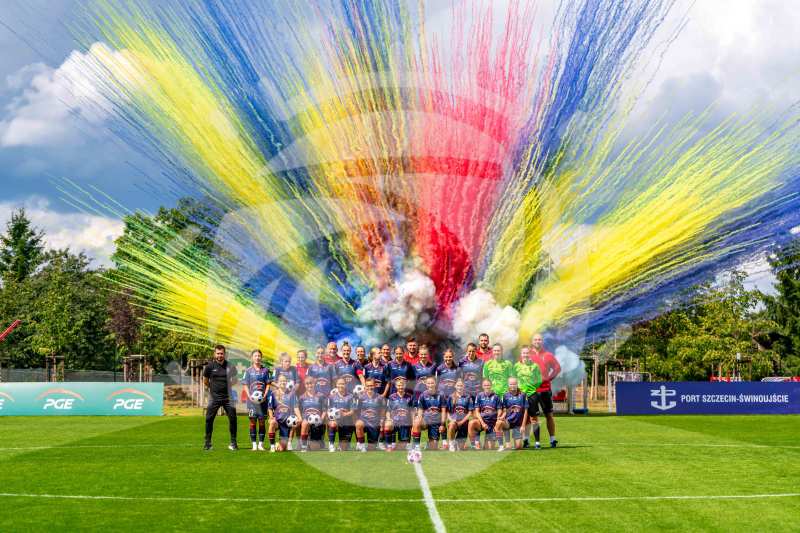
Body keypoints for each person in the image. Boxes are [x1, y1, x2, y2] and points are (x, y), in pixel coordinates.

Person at [202, 345, 239, 451]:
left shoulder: (230, 366)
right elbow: (205, 380)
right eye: (218, 353)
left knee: (233, 419)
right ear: (214, 354)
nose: (219, 355)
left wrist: (228, 386)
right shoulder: (209, 366)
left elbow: (235, 380)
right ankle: (208, 443)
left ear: (224, 354)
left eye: (221, 353)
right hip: (214, 398)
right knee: (209, 419)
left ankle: (233, 443)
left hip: (228, 398)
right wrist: (212, 388)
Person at [530, 333, 560, 448]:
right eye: (535, 339)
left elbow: (557, 368)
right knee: (533, 417)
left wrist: (549, 378)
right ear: (532, 342)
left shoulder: (548, 355)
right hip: (531, 390)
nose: (537, 341)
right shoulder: (527, 355)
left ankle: (553, 439)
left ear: (542, 341)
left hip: (545, 390)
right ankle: (535, 442)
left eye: (539, 339)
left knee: (549, 415)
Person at [242, 349, 272, 451]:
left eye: (259, 356)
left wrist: (265, 395)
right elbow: (245, 385)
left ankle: (261, 444)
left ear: (261, 357)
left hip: (263, 401)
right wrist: (249, 396)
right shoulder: (248, 371)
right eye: (255, 356)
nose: (257, 357)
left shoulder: (266, 370)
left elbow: (268, 384)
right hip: (252, 402)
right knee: (252, 422)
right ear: (252, 357)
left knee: (262, 422)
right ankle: (254, 444)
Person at [513, 345, 542, 447]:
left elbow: (539, 380)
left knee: (533, 419)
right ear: (521, 354)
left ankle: (537, 442)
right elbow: (513, 380)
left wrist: (531, 388)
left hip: (531, 395)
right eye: (523, 353)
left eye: (527, 353)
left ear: (530, 354)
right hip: (520, 396)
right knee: (522, 418)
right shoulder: (516, 366)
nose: (525, 355)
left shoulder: (535, 366)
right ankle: (526, 440)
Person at [267, 374, 300, 452]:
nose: (283, 382)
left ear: (287, 382)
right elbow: (270, 408)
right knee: (272, 423)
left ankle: (280, 443)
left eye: (284, 381)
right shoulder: (273, 393)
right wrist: (271, 417)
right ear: (278, 382)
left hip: (287, 422)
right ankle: (272, 446)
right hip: (277, 421)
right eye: (281, 381)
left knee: (282, 449)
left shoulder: (292, 394)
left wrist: (299, 417)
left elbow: (295, 407)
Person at [412, 376, 446, 450]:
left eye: (432, 383)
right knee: (417, 421)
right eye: (428, 383)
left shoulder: (441, 395)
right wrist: (416, 423)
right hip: (426, 421)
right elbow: (420, 412)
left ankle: (429, 444)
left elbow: (443, 411)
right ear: (426, 384)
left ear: (435, 383)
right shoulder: (423, 395)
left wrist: (442, 425)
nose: (430, 385)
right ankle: (416, 446)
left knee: (433, 447)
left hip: (436, 422)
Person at [495, 377, 528, 452]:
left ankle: (515, 442)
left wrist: (523, 425)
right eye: (511, 384)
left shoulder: (523, 395)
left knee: (518, 447)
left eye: (514, 384)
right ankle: (501, 446)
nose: (512, 386)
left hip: (518, 424)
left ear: (517, 384)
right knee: (498, 423)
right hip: (508, 422)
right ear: (508, 385)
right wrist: (502, 417)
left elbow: (526, 411)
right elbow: (505, 410)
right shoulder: (505, 395)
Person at [469, 379, 501, 450]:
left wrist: (498, 419)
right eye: (485, 385)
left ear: (491, 386)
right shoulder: (479, 396)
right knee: (471, 423)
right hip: (481, 422)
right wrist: (482, 423)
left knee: (489, 447)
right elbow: (477, 411)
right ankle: (474, 444)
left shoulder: (496, 396)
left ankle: (487, 439)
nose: (487, 387)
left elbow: (499, 409)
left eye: (488, 385)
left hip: (492, 422)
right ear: (482, 386)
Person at [355, 378, 385, 451]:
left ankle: (376, 442)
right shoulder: (360, 397)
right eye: (368, 386)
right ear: (365, 386)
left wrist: (381, 421)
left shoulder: (380, 397)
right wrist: (357, 420)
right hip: (364, 422)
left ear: (374, 385)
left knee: (371, 448)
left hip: (374, 424)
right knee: (358, 424)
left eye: (371, 385)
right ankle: (361, 445)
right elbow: (356, 411)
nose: (369, 387)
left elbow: (383, 410)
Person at [298, 376, 327, 452]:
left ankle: (317, 441)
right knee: (304, 423)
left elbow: (324, 410)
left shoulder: (321, 396)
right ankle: (303, 445)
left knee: (315, 448)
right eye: (307, 384)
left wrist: (321, 419)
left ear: (314, 384)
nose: (309, 385)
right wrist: (301, 418)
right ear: (305, 385)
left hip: (317, 422)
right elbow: (299, 410)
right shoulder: (302, 397)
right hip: (306, 420)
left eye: (311, 383)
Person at [384, 377, 414, 451]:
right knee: (387, 424)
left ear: (405, 385)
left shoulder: (410, 397)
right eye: (399, 385)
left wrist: (413, 424)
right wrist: (388, 419)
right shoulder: (391, 397)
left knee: (401, 448)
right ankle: (389, 446)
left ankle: (397, 445)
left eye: (402, 385)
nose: (400, 387)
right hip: (395, 423)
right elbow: (388, 410)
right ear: (396, 386)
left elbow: (412, 412)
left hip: (405, 423)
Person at [327, 377, 356, 452]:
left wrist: (344, 414)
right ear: (336, 385)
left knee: (344, 448)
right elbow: (328, 410)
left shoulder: (351, 396)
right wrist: (336, 414)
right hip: (336, 421)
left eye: (343, 384)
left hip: (347, 422)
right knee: (332, 424)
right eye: (339, 384)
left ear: (345, 385)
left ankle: (345, 444)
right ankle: (331, 445)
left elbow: (352, 411)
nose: (341, 385)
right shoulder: (332, 397)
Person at [446, 379, 473, 451]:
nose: (459, 387)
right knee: (451, 425)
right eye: (458, 385)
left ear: (464, 386)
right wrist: (451, 420)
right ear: (455, 386)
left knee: (460, 448)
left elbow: (470, 412)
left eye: (461, 386)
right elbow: (447, 412)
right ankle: (451, 443)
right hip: (454, 422)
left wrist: (462, 422)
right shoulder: (451, 397)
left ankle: (457, 443)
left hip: (464, 423)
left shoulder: (468, 397)